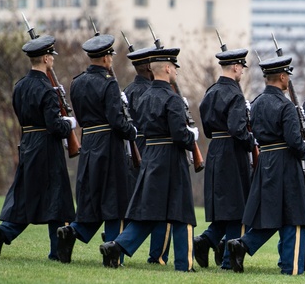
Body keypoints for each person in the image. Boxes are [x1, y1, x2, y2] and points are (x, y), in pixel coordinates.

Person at [98, 45, 199, 271]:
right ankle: (185, 264)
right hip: (171, 159)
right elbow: (179, 135)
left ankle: (116, 246)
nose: (175, 70)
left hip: (151, 155)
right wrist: (191, 135)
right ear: (166, 68)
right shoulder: (171, 99)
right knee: (182, 213)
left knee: (150, 213)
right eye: (173, 66)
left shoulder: (144, 96)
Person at [0, 34, 76, 260]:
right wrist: (69, 124)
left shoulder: (20, 86)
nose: (53, 60)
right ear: (45, 58)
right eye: (51, 56)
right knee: (57, 198)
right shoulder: (46, 89)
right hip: (47, 147)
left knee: (27, 198)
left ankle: (2, 233)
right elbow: (54, 126)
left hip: (27, 144)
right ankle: (57, 252)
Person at [55, 31, 137, 263]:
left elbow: (80, 116)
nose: (111, 58)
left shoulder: (77, 82)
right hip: (109, 146)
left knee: (92, 198)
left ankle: (72, 231)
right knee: (115, 201)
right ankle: (113, 254)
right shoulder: (109, 83)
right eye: (110, 55)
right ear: (105, 58)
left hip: (89, 143)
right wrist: (131, 131)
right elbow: (115, 119)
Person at [226, 54, 305, 275]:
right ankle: (291, 266)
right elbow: (294, 141)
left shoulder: (256, 103)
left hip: (265, 161)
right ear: (282, 76)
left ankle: (243, 244)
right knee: (294, 215)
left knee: (274, 214)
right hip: (286, 162)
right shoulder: (286, 106)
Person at [193, 46, 255, 271]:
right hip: (232, 151)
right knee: (237, 209)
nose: (242, 72)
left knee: (225, 205)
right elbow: (238, 129)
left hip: (216, 148)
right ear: (236, 67)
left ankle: (206, 240)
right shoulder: (236, 94)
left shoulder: (210, 92)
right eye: (242, 68)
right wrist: (251, 142)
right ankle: (229, 261)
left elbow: (208, 128)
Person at [121, 43, 170, 265]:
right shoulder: (153, 92)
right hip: (150, 150)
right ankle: (157, 254)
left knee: (140, 202)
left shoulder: (129, 90)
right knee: (161, 205)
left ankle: (123, 239)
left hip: (132, 151)